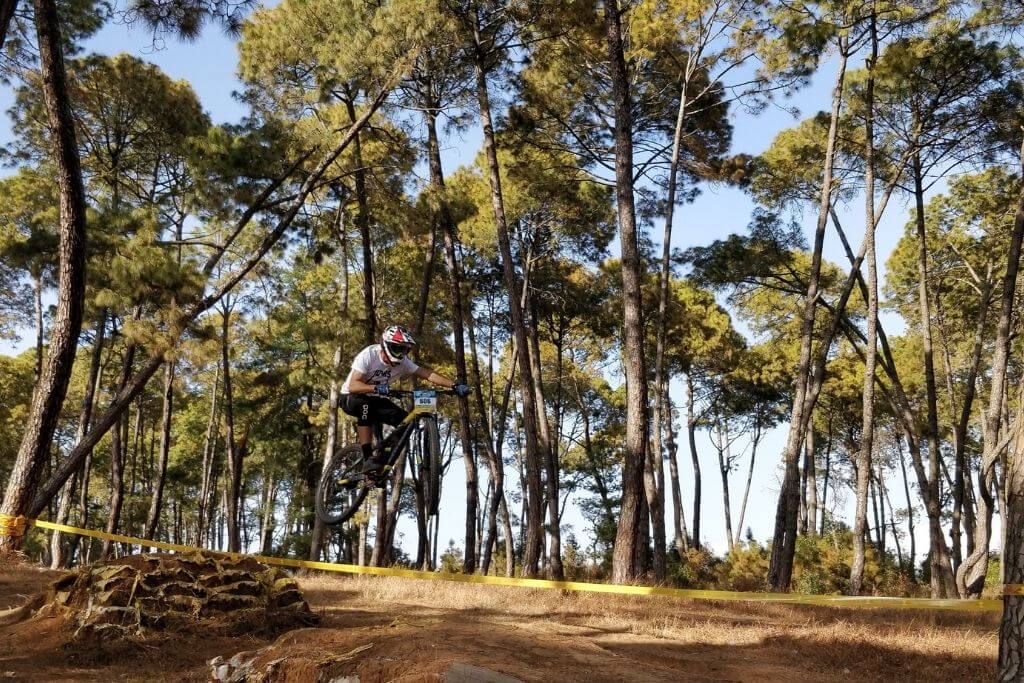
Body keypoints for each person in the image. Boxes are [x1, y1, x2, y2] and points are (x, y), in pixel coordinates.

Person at [340, 324, 469, 475]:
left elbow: (427, 374)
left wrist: (454, 385)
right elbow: (353, 385)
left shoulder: (404, 362)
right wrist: (375, 388)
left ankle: (381, 462)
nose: (402, 353)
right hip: (351, 397)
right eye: (398, 348)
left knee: (404, 422)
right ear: (387, 345)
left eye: (405, 349)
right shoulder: (369, 354)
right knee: (365, 407)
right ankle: (368, 458)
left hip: (375, 399)